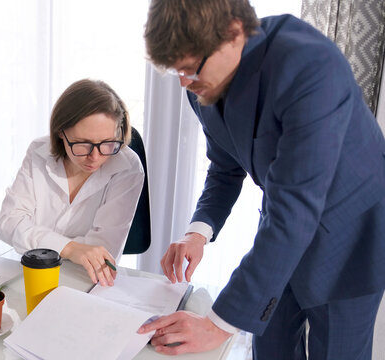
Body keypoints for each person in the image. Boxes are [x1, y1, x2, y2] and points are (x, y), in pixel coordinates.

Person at [137, 0, 385, 358]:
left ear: (234, 33)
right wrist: (197, 233)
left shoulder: (311, 66)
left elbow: (296, 208)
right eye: (176, 71)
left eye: (190, 69)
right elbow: (225, 166)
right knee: (268, 346)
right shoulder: (204, 84)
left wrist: (215, 325)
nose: (184, 83)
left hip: (349, 241)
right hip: (281, 232)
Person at [0, 79, 145, 286]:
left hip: (84, 282)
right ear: (60, 132)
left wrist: (35, 238)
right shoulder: (39, 151)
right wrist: (71, 249)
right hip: (32, 276)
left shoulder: (126, 167)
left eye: (107, 143)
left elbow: (101, 250)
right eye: (83, 144)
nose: (95, 157)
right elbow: (7, 223)